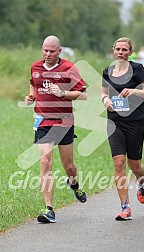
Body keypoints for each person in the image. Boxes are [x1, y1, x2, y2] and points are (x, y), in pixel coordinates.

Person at [25, 35, 87, 223]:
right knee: (45, 163)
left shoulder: (69, 68)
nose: (48, 54)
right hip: (43, 121)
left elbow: (82, 94)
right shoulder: (35, 67)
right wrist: (31, 96)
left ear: (59, 51)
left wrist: (62, 93)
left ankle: (74, 183)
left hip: (64, 121)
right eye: (45, 50)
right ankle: (49, 209)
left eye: (52, 51)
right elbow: (33, 83)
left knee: (68, 166)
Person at [101, 37, 144, 221]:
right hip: (115, 122)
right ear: (113, 50)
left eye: (124, 49)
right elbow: (103, 92)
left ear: (130, 52)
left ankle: (141, 183)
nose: (121, 52)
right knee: (118, 163)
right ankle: (125, 207)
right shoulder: (108, 71)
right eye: (118, 49)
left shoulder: (137, 69)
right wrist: (105, 100)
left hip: (135, 121)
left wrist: (134, 91)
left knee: (135, 165)